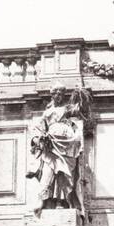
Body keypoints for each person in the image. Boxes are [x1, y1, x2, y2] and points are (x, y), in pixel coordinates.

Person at [27, 89, 87, 217]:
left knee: (65, 175)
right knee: (49, 172)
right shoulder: (47, 113)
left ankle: (63, 201)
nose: (58, 96)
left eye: (61, 94)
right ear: (52, 95)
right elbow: (37, 129)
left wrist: (80, 96)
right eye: (56, 94)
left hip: (67, 144)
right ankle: (43, 200)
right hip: (51, 145)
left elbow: (80, 110)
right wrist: (37, 138)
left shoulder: (67, 109)